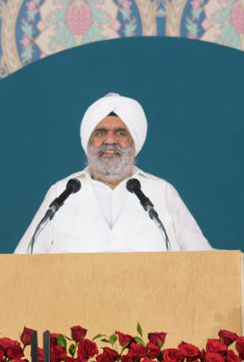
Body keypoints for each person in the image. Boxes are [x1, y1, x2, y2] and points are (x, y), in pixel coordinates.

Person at [14, 93, 211, 253]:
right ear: (88, 142)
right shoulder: (61, 193)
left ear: (134, 144)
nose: (110, 141)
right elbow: (21, 264)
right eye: (100, 132)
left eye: (120, 133)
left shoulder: (162, 192)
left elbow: (205, 264)